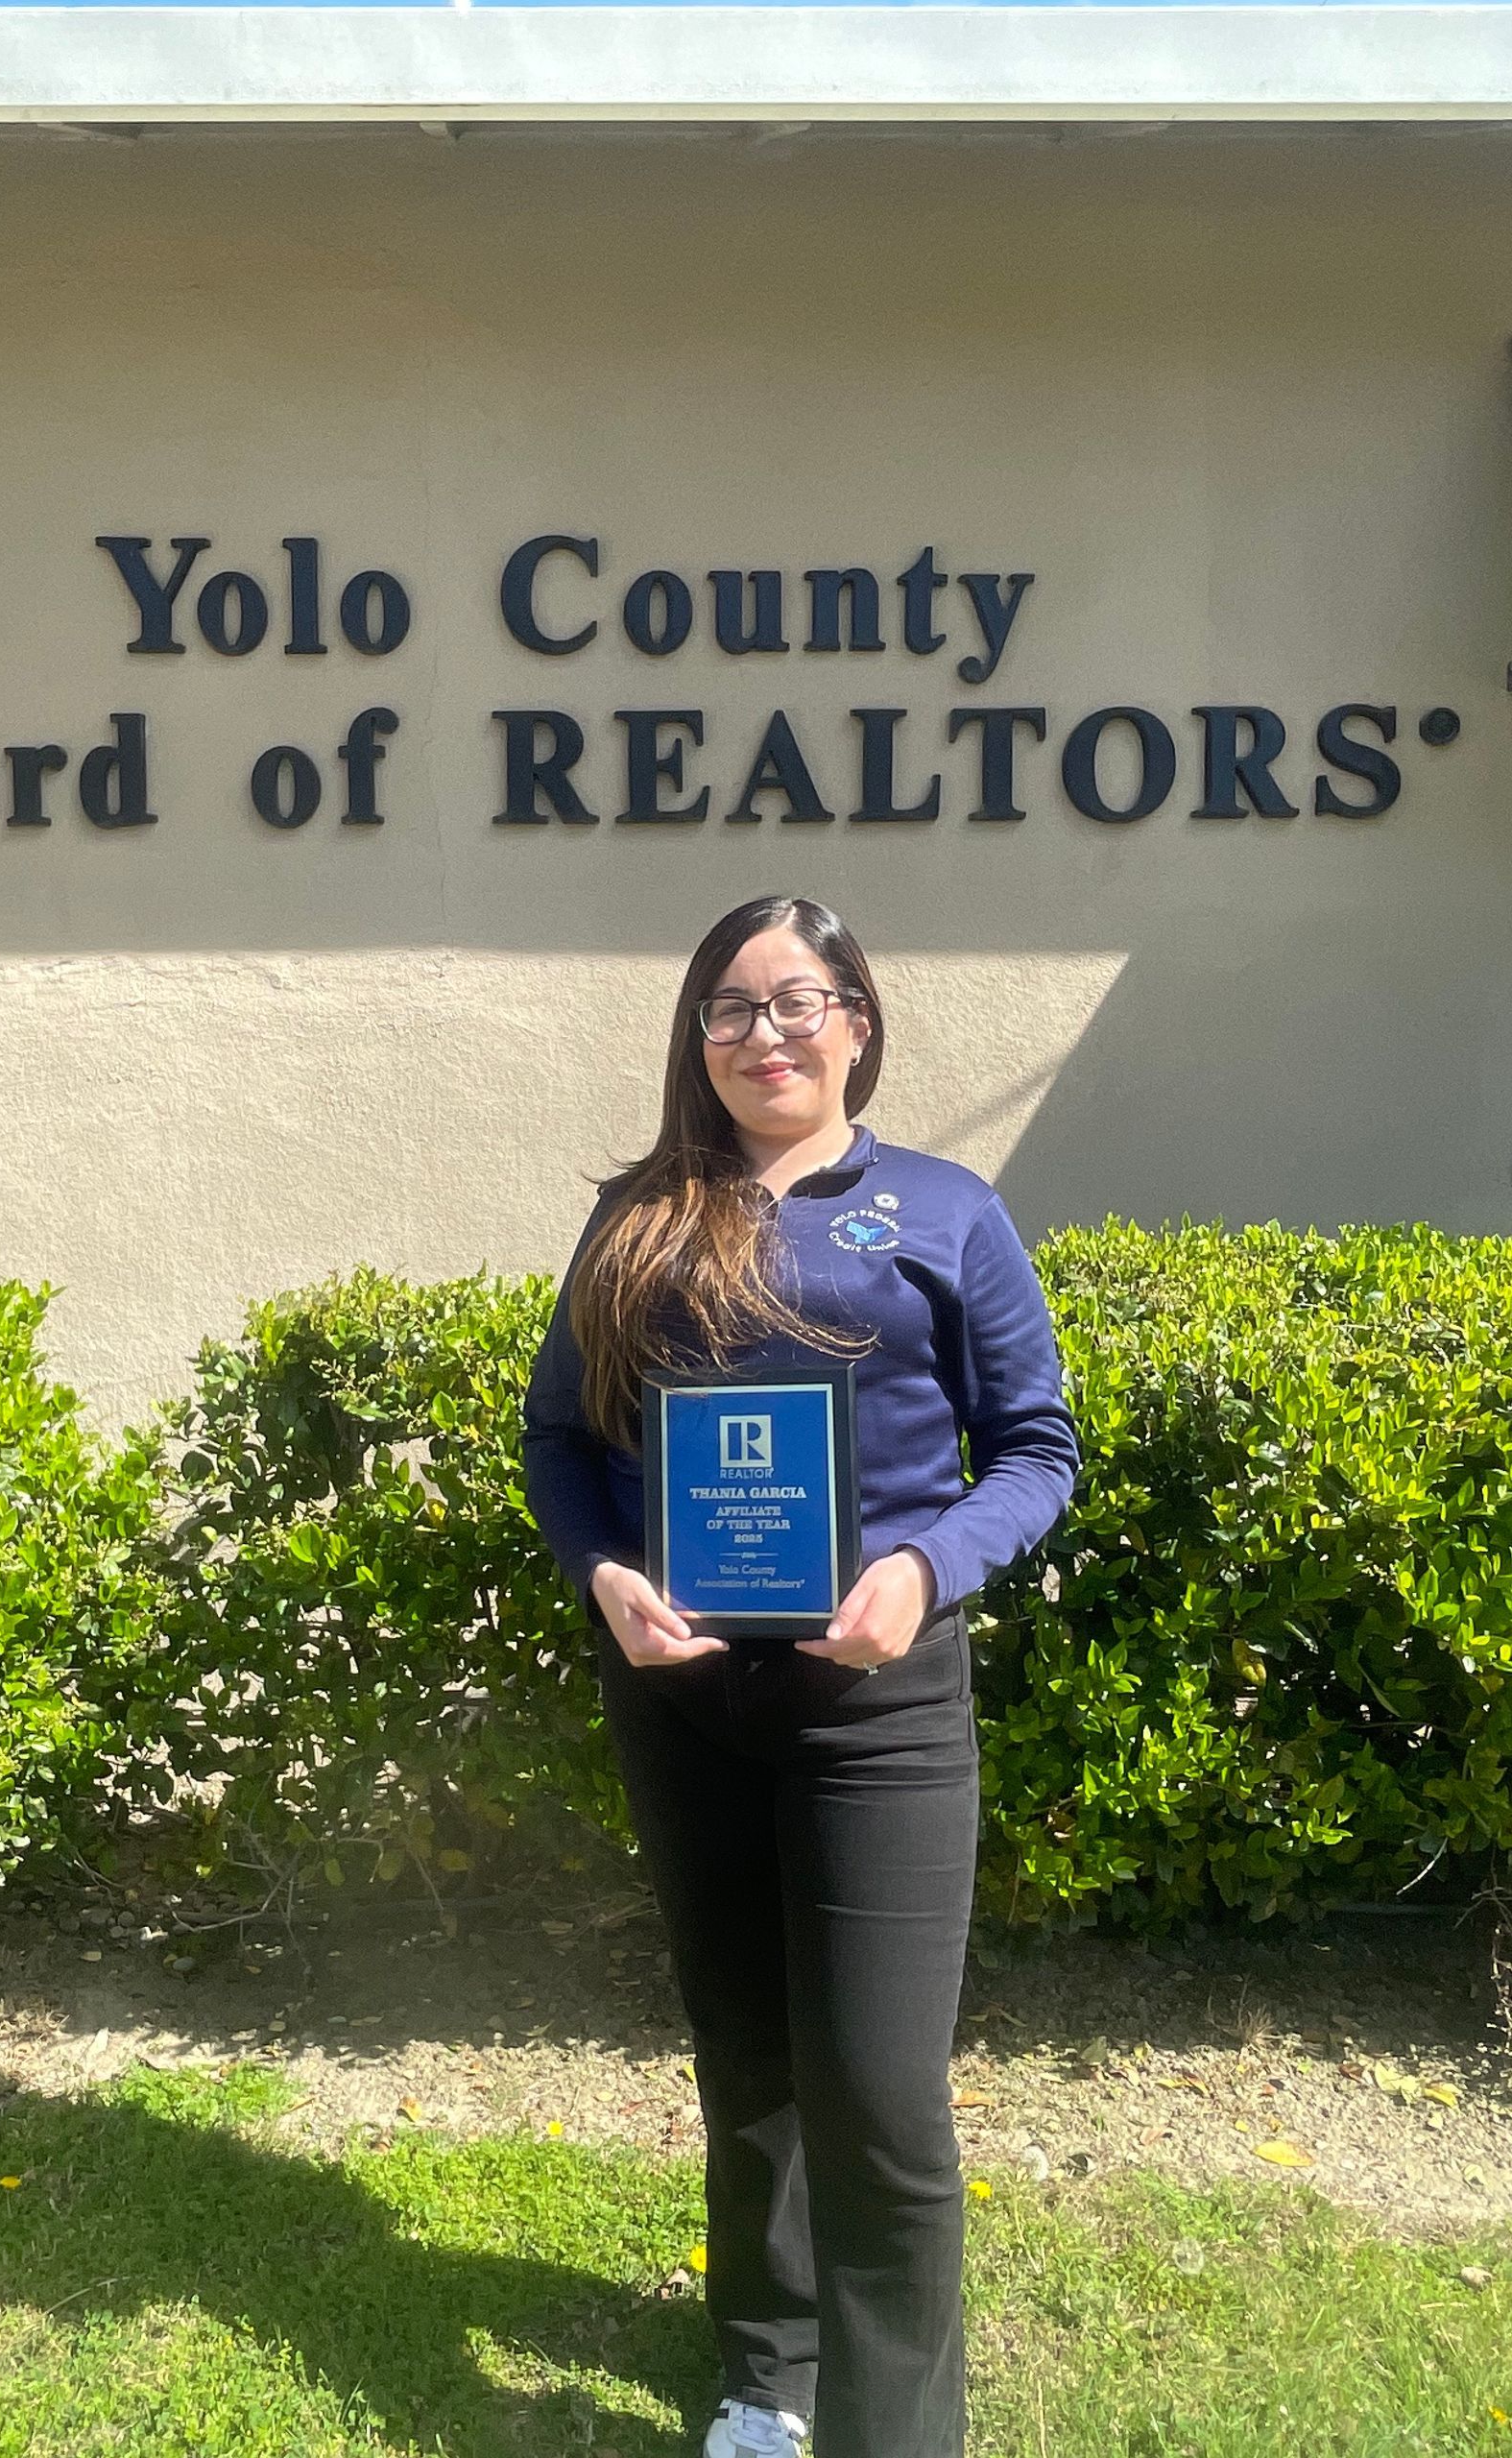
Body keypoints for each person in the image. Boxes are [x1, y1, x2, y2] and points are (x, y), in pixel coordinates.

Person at [519, 895, 1079, 2458]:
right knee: (746, 2053)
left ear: (859, 1022)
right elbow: (558, 1442)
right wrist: (606, 1574)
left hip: (876, 1706)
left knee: (881, 2089)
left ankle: (896, 2431)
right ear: (696, 1043)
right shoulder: (638, 1213)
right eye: (730, 1009)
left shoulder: (945, 1209)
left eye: (798, 1001)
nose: (765, 1033)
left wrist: (921, 1571)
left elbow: (1037, 1449)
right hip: (685, 1699)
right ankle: (767, 2376)